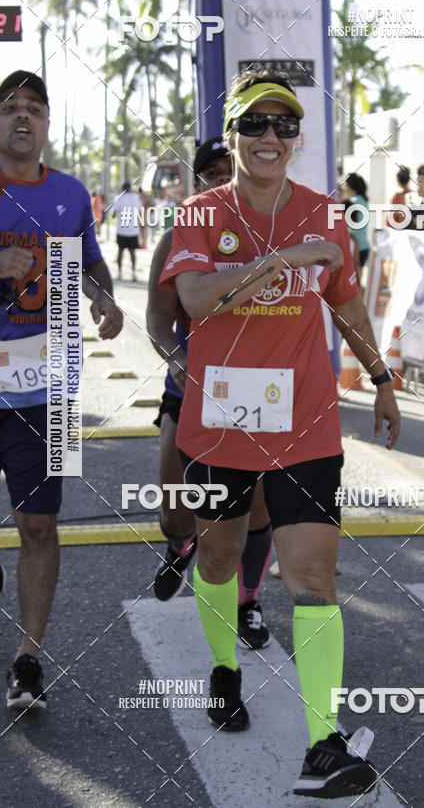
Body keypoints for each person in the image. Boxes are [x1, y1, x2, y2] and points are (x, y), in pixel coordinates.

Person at [160, 69, 401, 799]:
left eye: (284, 125)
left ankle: (323, 744)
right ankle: (225, 670)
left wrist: (383, 379)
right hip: (222, 419)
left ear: (296, 139)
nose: (270, 137)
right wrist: (278, 261)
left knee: (314, 580)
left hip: (305, 424)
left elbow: (349, 307)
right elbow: (197, 299)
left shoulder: (328, 216)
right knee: (218, 560)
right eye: (255, 124)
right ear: (232, 134)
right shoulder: (201, 215)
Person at [0, 70, 123, 709]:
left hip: (50, 386)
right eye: (10, 108)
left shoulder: (69, 193)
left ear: (46, 124)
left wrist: (105, 298)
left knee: (40, 524)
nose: (23, 117)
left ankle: (28, 660)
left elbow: (87, 256)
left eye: (35, 107)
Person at [146, 136, 273, 649]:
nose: (222, 180)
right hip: (192, 388)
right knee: (178, 509)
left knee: (258, 509)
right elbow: (157, 317)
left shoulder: (269, 232)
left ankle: (249, 601)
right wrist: (176, 358)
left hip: (257, 393)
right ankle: (181, 547)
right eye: (211, 173)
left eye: (229, 170)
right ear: (197, 182)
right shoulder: (180, 231)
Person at [342, 172, 370, 273]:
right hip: (364, 246)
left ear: (348, 186)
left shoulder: (351, 202)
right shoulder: (363, 200)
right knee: (358, 283)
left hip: (354, 247)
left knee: (353, 284)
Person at [113, 180, 141, 281]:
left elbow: (113, 214)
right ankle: (133, 273)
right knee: (133, 252)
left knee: (120, 251)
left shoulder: (118, 198)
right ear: (130, 188)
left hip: (122, 230)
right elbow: (140, 213)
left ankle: (120, 273)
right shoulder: (136, 198)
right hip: (133, 230)